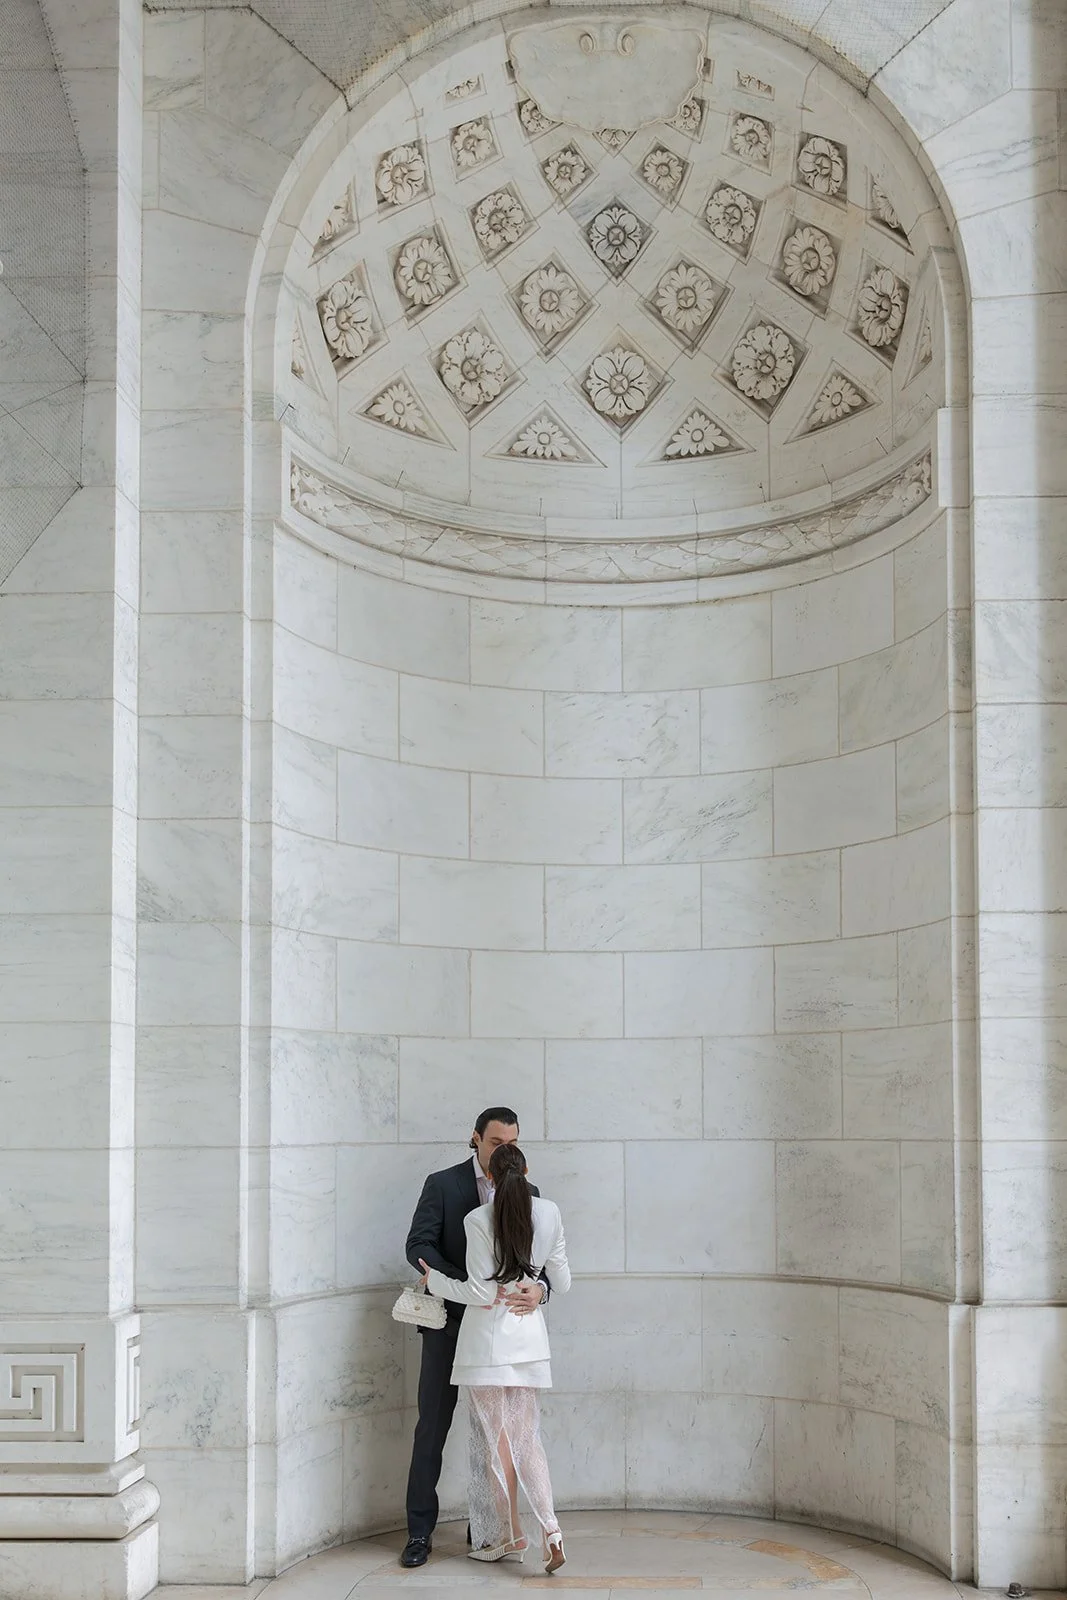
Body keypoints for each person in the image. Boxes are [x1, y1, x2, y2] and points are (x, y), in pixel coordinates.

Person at [400, 1107, 547, 1570]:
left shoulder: (531, 1194)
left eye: (512, 1143)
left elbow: (545, 1262)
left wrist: (539, 1290)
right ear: (476, 1139)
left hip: (499, 1336)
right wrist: (466, 1284)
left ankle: (487, 1529)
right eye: (497, 1142)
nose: (504, 1150)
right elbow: (418, 1245)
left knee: (496, 1435)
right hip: (449, 1324)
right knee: (432, 1427)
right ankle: (419, 1532)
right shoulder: (443, 1184)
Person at [419, 1141, 571, 1575]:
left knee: (497, 1442)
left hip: (487, 1346)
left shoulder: (477, 1218)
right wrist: (537, 1288)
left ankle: (511, 1534)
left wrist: (435, 1282)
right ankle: (552, 1531)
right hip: (529, 1341)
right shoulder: (550, 1212)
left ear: (491, 1176)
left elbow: (481, 1293)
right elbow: (562, 1280)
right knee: (527, 1439)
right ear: (527, 1170)